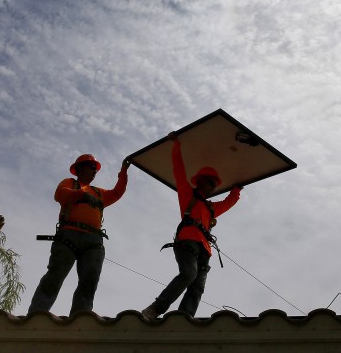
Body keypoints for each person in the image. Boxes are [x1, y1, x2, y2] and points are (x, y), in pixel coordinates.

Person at [141, 133, 242, 320]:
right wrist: (175, 145)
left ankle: (184, 318)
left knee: (197, 287)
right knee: (188, 273)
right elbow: (179, 170)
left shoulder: (211, 208)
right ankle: (155, 309)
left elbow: (230, 201)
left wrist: (237, 189)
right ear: (201, 181)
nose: (212, 186)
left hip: (205, 248)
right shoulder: (188, 195)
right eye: (210, 182)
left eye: (214, 184)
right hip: (187, 241)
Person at [28, 153, 128, 315]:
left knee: (90, 280)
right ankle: (37, 314)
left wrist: (123, 172)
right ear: (80, 169)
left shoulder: (99, 193)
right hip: (68, 236)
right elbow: (60, 194)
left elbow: (117, 192)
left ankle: (81, 317)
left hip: (93, 241)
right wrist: (82, 194)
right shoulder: (70, 183)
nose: (95, 171)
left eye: (96, 169)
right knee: (55, 276)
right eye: (92, 167)